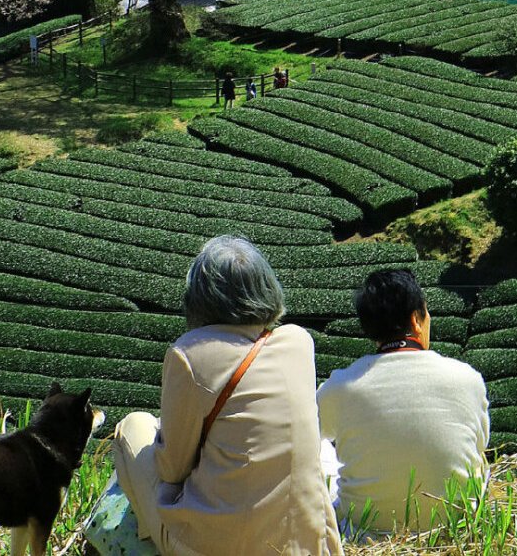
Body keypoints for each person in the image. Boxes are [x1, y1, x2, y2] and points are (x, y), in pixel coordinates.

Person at [111, 236, 343, 556]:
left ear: (200, 297)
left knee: (133, 426)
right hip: (302, 542)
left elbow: (171, 470)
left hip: (219, 546)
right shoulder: (300, 342)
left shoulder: (189, 354)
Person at [317, 269, 489, 537]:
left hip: (366, 535)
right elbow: (478, 448)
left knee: (318, 448)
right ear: (416, 320)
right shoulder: (468, 378)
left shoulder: (339, 386)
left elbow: (307, 437)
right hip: (453, 531)